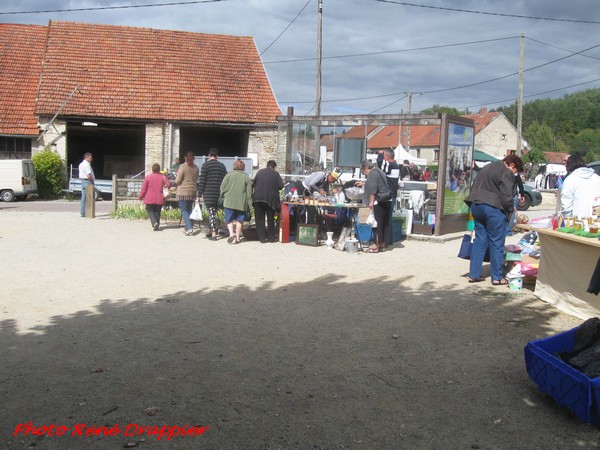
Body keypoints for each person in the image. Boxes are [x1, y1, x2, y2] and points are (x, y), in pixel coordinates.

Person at [464, 154, 524, 285]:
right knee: (496, 242)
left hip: (476, 205)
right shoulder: (506, 172)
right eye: (516, 171)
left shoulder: (487, 167)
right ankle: (497, 277)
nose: (514, 174)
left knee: (480, 240)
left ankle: (474, 274)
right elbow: (507, 196)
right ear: (512, 165)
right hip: (492, 207)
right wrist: (510, 212)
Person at [361, 160, 393, 253]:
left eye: (364, 172)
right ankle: (382, 244)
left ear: (366, 168)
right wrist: (364, 184)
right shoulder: (380, 171)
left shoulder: (372, 174)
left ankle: (375, 245)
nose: (365, 174)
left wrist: (371, 202)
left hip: (378, 201)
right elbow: (380, 184)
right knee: (384, 223)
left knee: (376, 223)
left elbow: (373, 189)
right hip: (386, 199)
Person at [198, 147, 227, 240]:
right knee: (213, 212)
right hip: (219, 194)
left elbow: (202, 181)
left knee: (211, 213)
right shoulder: (222, 166)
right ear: (217, 156)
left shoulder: (205, 166)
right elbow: (225, 180)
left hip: (209, 193)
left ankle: (214, 234)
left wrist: (199, 194)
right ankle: (211, 231)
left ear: (209, 155)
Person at [220, 159, 252, 244]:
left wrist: (222, 195)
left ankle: (231, 234)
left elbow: (222, 188)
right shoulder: (246, 177)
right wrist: (250, 202)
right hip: (241, 203)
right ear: (243, 167)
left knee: (229, 219)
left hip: (229, 201)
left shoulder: (228, 175)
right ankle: (237, 237)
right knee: (240, 220)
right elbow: (249, 192)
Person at [252, 160, 284, 243]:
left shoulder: (259, 172)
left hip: (258, 198)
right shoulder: (275, 174)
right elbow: (281, 186)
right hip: (270, 200)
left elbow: (254, 183)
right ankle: (271, 238)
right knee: (270, 219)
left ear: (267, 165)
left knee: (259, 220)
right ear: (274, 167)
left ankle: (262, 239)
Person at [376, 149, 400, 245]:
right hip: (392, 195)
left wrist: (380, 153)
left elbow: (379, 162)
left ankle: (385, 241)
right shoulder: (395, 166)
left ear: (388, 157)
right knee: (388, 219)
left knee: (385, 219)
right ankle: (387, 240)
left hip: (389, 196)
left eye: (385, 156)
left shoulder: (391, 165)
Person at [139, 163, 169, 231]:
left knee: (150, 210)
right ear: (159, 170)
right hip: (160, 198)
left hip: (149, 198)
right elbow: (168, 184)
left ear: (152, 169)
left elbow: (144, 189)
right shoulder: (163, 177)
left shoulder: (148, 177)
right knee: (157, 211)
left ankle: (155, 223)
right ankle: (157, 224)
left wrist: (140, 197)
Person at [175, 151, 200, 236]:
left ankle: (189, 227)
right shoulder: (196, 168)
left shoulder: (182, 166)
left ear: (185, 158)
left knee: (184, 210)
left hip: (183, 191)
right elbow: (196, 179)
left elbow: (178, 180)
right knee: (189, 210)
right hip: (193, 190)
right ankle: (187, 228)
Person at [78, 152, 95, 218]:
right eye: (90, 158)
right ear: (86, 157)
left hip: (83, 181)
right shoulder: (87, 165)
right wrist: (92, 182)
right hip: (87, 181)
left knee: (84, 197)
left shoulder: (81, 164)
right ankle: (87, 212)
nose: (91, 159)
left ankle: (83, 212)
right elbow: (88, 175)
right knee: (88, 198)